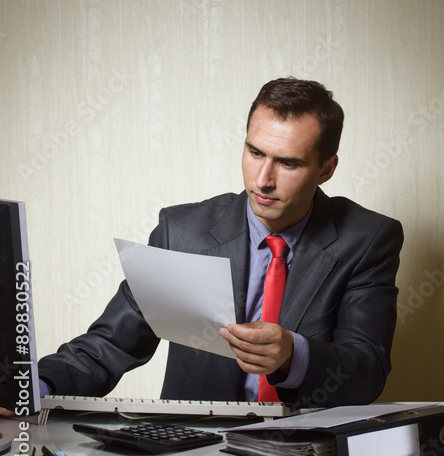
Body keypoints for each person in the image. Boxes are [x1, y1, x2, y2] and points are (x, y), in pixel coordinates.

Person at [18, 78, 403, 410]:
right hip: (191, 449)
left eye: (287, 163)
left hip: (303, 450)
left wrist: (293, 354)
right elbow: (110, 344)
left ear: (326, 169)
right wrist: (31, 389)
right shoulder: (181, 233)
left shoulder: (366, 240)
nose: (263, 180)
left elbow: (366, 371)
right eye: (255, 153)